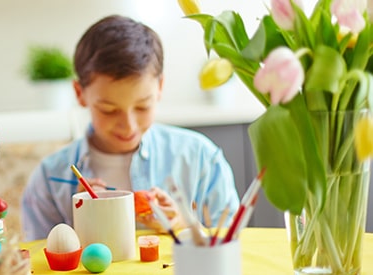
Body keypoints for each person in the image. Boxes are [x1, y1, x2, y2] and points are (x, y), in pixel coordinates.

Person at [21, 15, 239, 241]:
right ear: (79, 93)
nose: (128, 126)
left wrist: (183, 225)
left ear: (160, 87)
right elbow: (36, 261)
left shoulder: (199, 158)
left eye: (143, 107)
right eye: (108, 110)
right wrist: (81, 227)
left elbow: (235, 244)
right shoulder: (50, 178)